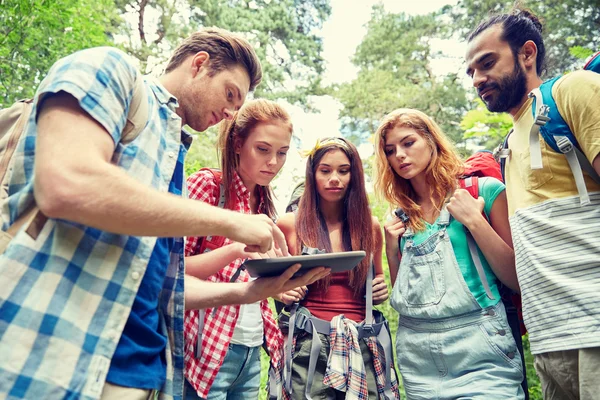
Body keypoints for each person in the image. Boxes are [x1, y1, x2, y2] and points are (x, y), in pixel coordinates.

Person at [0, 28, 327, 400]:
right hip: (54, 349)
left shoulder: (174, 153)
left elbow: (165, 286)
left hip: (138, 369)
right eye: (230, 94)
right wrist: (232, 223)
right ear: (199, 65)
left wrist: (248, 291)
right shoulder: (110, 67)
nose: (230, 113)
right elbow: (67, 183)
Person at [465, 8, 600, 399]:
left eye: (487, 63)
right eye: (471, 71)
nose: (477, 79)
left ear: (527, 53)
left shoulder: (572, 91)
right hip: (549, 339)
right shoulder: (508, 147)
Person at [374, 108, 523, 399]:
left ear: (432, 141)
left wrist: (475, 221)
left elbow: (516, 278)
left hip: (480, 350)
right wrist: (392, 250)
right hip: (418, 358)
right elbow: (407, 298)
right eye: (390, 150)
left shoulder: (484, 191)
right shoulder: (401, 218)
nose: (400, 155)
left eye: (409, 143)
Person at [182, 98, 310, 399]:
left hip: (252, 349)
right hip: (204, 349)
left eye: (282, 153)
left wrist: (277, 287)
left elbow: (247, 278)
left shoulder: (266, 204)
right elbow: (171, 270)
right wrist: (236, 249)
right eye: (263, 149)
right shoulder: (209, 186)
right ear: (238, 144)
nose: (273, 162)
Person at [276, 137, 401, 399]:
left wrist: (379, 288)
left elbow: (376, 279)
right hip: (308, 344)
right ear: (312, 175)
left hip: (363, 342)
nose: (335, 178)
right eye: (325, 170)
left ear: (354, 175)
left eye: (343, 171)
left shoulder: (370, 227)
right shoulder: (290, 225)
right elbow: (273, 284)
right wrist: (282, 292)